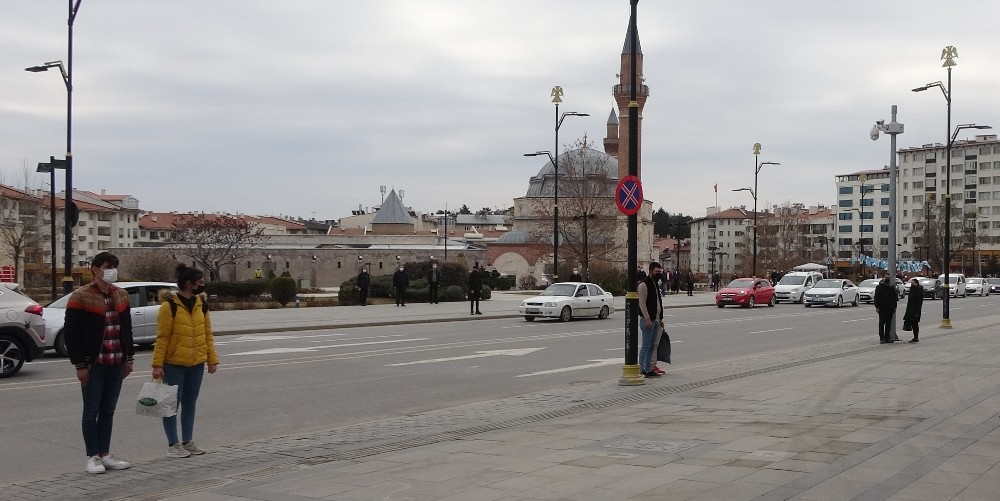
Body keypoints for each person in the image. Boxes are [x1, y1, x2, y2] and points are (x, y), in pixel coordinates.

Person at [64, 251, 134, 474]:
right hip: (94, 364)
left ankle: (105, 453)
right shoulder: (80, 296)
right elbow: (72, 334)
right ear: (95, 269)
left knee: (108, 410)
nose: (112, 270)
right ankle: (92, 456)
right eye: (107, 266)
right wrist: (80, 365)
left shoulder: (121, 295)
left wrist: (129, 358)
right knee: (91, 410)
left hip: (116, 362)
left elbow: (127, 330)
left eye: (114, 266)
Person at [152, 264, 219, 458]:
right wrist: (157, 364)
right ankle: (173, 444)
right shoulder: (169, 306)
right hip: (173, 363)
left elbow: (207, 334)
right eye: (200, 282)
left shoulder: (201, 304)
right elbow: (162, 337)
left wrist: (211, 359)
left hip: (196, 363)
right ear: (189, 284)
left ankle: (188, 441)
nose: (202, 285)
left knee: (190, 403)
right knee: (171, 404)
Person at [638, 262, 664, 378]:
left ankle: (648, 368)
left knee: (652, 346)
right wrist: (647, 318)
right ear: (651, 271)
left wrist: (660, 318)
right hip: (647, 320)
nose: (659, 274)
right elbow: (642, 304)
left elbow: (658, 302)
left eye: (660, 272)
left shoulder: (655, 284)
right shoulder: (644, 285)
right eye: (657, 272)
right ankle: (642, 368)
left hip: (656, 320)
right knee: (646, 345)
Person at [873, 272, 899, 344]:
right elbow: (876, 298)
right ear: (883, 278)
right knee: (882, 323)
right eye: (886, 277)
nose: (887, 279)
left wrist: (895, 307)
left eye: (889, 278)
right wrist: (877, 307)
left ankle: (887, 338)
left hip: (890, 308)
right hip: (882, 308)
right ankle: (882, 338)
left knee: (888, 324)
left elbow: (894, 298)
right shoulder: (879, 287)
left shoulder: (891, 287)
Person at [903, 277, 924, 343]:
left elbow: (919, 302)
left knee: (915, 324)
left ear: (916, 283)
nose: (912, 284)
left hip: (915, 310)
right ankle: (914, 336)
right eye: (911, 283)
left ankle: (916, 337)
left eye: (913, 283)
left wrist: (917, 312)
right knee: (911, 322)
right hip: (910, 309)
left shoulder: (919, 290)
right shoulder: (911, 290)